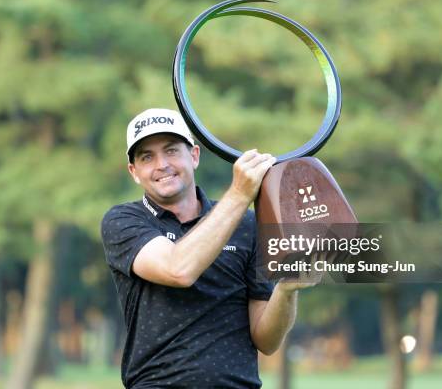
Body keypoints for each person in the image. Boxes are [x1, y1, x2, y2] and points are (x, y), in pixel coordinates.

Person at [101, 108, 316, 388]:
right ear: (134, 172)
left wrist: (287, 290)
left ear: (194, 156)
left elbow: (266, 340)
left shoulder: (247, 225)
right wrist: (240, 194)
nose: (161, 164)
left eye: (171, 151)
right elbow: (177, 269)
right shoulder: (123, 221)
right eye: (146, 157)